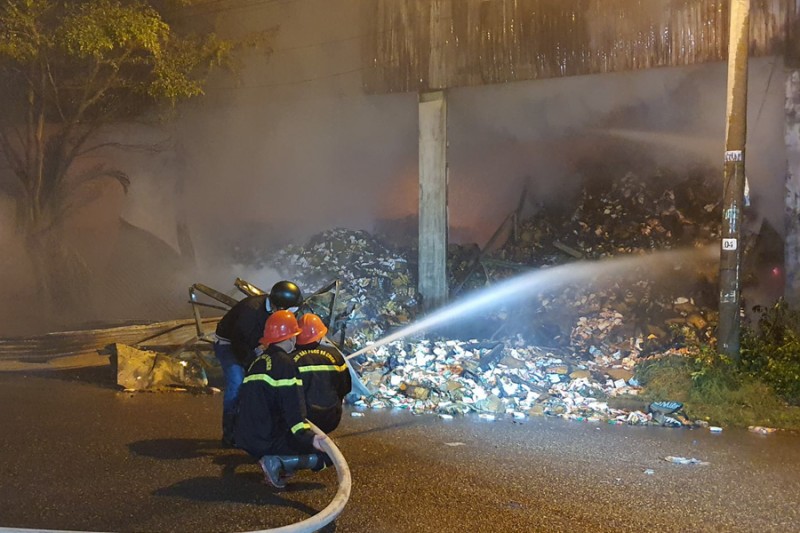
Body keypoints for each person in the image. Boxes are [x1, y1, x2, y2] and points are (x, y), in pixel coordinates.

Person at [234, 310, 332, 489]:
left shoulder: (258, 361)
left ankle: (281, 461)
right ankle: (278, 461)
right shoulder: (285, 364)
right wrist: (310, 438)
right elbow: (293, 409)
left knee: (288, 434)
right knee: (328, 455)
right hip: (265, 438)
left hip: (246, 436)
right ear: (292, 338)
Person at [213, 280, 303, 447]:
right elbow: (239, 346)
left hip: (257, 342)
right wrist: (253, 366)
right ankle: (230, 433)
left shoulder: (282, 308)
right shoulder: (251, 312)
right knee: (238, 384)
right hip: (230, 343)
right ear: (278, 307)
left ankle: (256, 429)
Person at [292, 313, 352, 433]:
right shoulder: (335, 355)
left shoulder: (290, 359)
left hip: (301, 420)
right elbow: (345, 387)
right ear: (320, 335)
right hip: (331, 417)